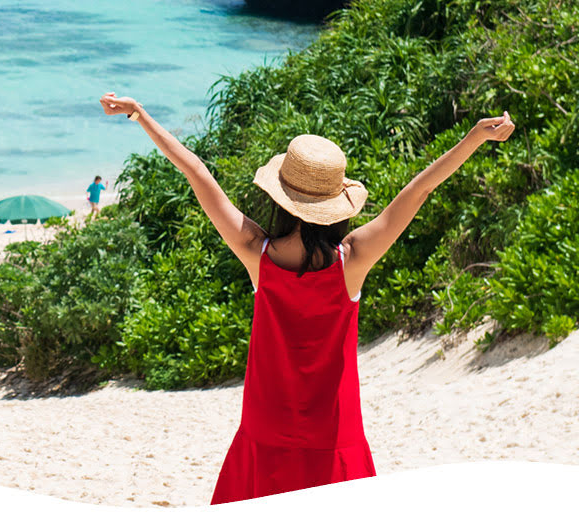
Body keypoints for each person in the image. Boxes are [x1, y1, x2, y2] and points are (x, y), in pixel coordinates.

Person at [100, 92, 514, 503]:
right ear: (337, 205)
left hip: (265, 430)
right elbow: (418, 192)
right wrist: (474, 138)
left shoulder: (255, 253)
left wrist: (140, 114)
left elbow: (198, 174)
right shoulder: (352, 260)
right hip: (334, 435)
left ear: (280, 198)